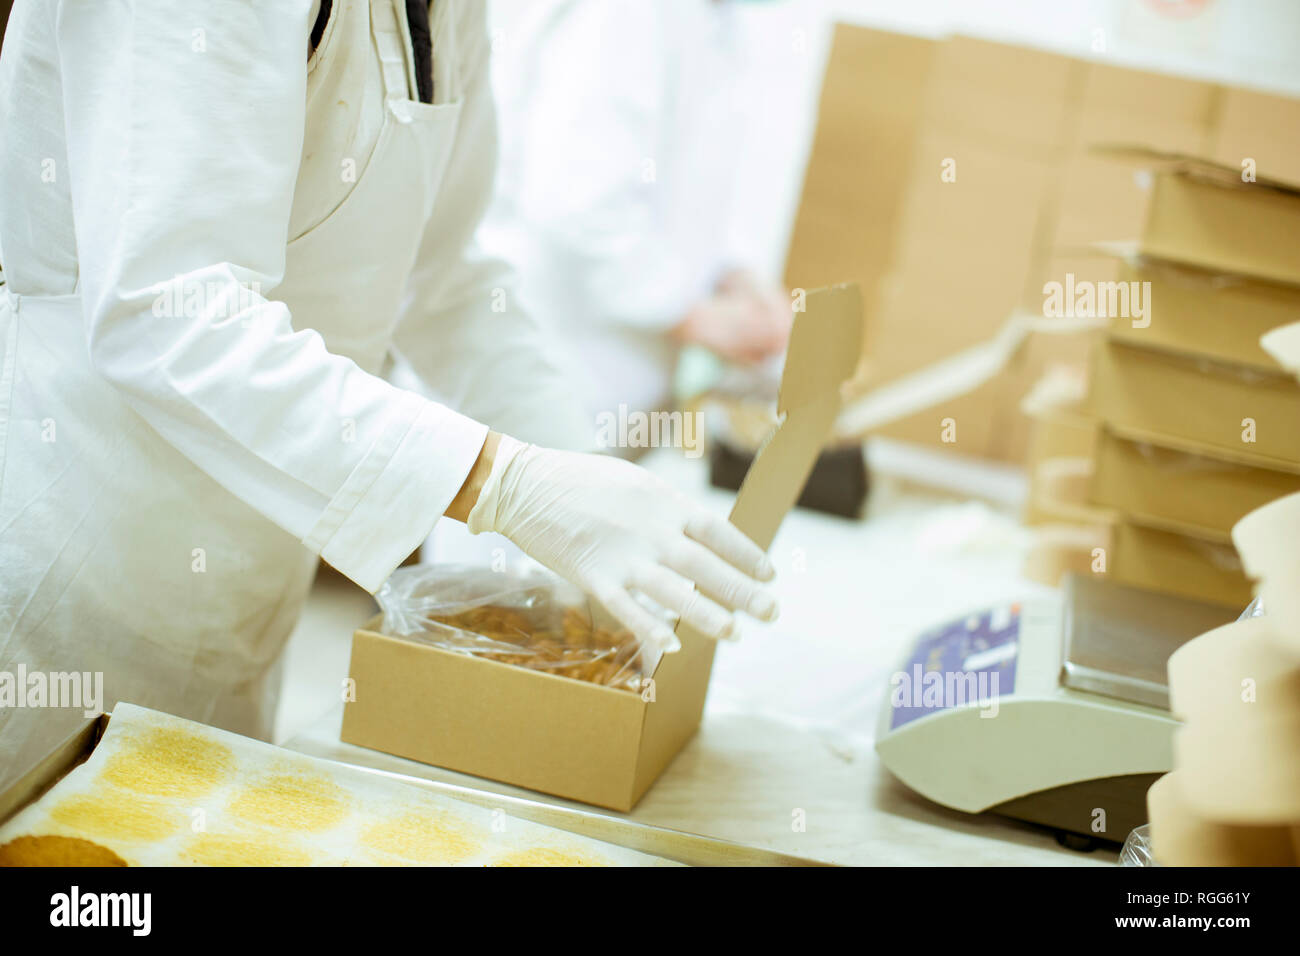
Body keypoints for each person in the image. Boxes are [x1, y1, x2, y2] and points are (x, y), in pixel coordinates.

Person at [0, 0, 777, 791]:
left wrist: (582, 478)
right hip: (74, 572)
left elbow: (443, 280)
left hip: (246, 581)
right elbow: (167, 313)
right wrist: (504, 482)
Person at [479, 0, 791, 426]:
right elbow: (576, 208)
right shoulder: (630, 12)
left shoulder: (715, 21)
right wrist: (691, 315)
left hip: (619, 395)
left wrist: (737, 276)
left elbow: (687, 190)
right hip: (552, 381)